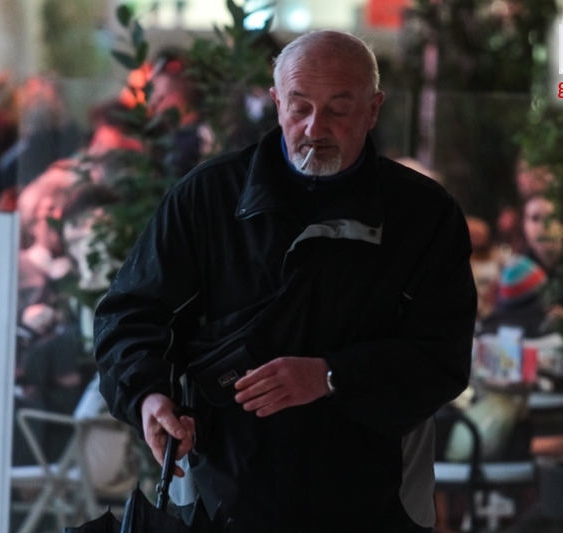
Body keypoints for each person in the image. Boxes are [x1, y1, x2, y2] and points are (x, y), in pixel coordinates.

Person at [94, 30, 477, 532]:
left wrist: (330, 375)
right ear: (276, 103)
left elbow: (443, 359)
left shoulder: (424, 217)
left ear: (373, 110)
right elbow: (130, 314)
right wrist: (148, 396)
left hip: (376, 501)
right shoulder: (208, 199)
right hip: (222, 497)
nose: (316, 127)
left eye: (339, 109)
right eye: (300, 107)